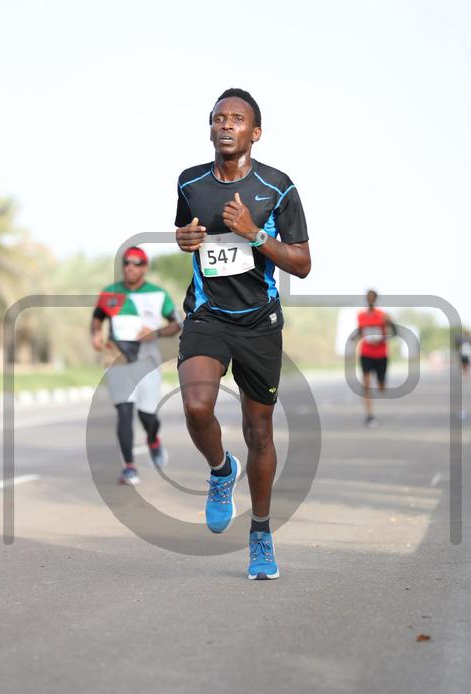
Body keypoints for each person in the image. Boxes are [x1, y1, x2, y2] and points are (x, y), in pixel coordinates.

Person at [175, 88, 310, 580]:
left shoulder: (278, 187)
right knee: (196, 406)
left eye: (237, 118)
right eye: (219, 118)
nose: (226, 124)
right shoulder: (190, 183)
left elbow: (303, 263)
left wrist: (256, 234)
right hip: (208, 315)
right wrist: (184, 239)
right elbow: (188, 233)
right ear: (210, 128)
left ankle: (260, 533)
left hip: (258, 322)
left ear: (256, 133)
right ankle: (220, 470)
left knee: (260, 432)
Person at [91, 246, 180, 484]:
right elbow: (98, 317)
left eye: (136, 263)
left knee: (146, 415)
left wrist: (155, 332)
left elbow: (176, 324)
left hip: (147, 359)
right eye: (126, 262)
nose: (130, 267)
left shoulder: (158, 294)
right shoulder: (110, 293)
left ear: (145, 267)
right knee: (124, 411)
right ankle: (129, 467)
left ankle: (153, 440)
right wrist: (96, 333)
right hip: (117, 358)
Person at [355, 290, 396, 427]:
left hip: (381, 354)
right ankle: (370, 415)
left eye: (372, 297)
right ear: (366, 299)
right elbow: (360, 331)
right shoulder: (361, 315)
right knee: (366, 384)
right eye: (368, 297)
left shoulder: (383, 315)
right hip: (366, 353)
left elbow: (394, 332)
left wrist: (383, 338)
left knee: (381, 387)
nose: (370, 300)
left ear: (376, 299)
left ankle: (382, 381)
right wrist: (355, 338)